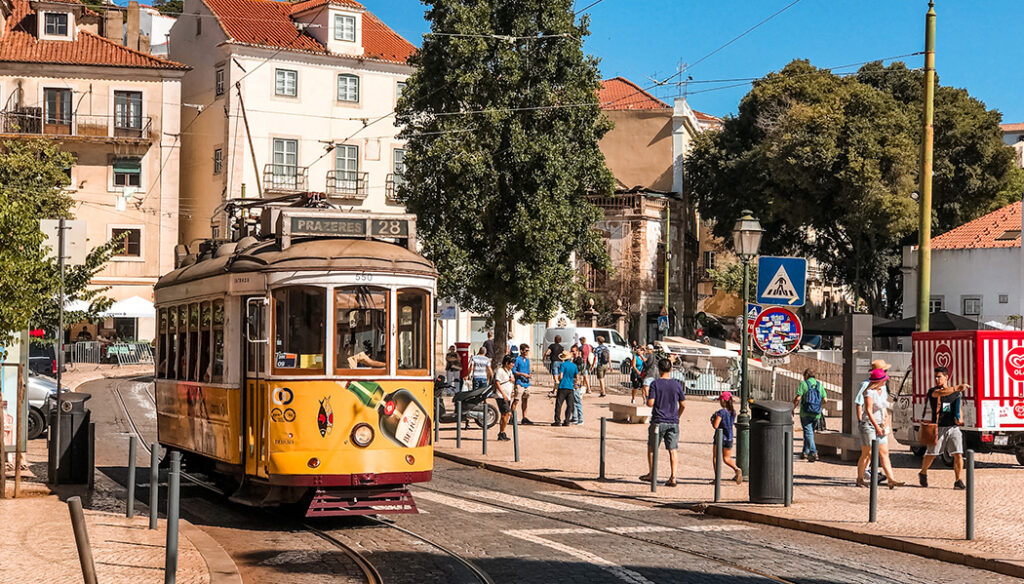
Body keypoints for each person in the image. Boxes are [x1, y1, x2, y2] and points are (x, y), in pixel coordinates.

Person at [640, 358, 686, 487]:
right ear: (671, 369)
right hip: (673, 421)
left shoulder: (655, 384)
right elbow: (683, 404)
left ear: (659, 370)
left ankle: (652, 473)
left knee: (652, 448)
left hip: (658, 420)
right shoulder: (677, 384)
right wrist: (677, 416)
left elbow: (650, 403)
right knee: (673, 449)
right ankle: (673, 476)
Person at [919, 366, 967, 489]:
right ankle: (923, 472)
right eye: (935, 377)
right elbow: (940, 393)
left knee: (958, 454)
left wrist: (960, 418)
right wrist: (957, 387)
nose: (937, 379)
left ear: (946, 377)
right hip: (938, 428)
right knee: (932, 454)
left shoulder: (956, 393)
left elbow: (958, 408)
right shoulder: (933, 391)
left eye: (939, 377)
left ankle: (958, 480)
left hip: (953, 427)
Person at [856, 368, 904, 488]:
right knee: (868, 453)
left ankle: (891, 479)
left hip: (880, 425)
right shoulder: (869, 392)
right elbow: (868, 410)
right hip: (868, 425)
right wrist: (876, 426)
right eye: (884, 379)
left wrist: (885, 421)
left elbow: (883, 408)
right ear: (879, 380)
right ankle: (860, 479)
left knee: (884, 453)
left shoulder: (882, 390)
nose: (885, 381)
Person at [794, 368, 827, 462]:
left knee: (808, 433)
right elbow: (825, 400)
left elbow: (798, 397)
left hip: (805, 412)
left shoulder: (803, 384)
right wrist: (817, 405)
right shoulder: (819, 385)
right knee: (809, 433)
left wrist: (793, 406)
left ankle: (813, 452)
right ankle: (805, 452)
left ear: (806, 375)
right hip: (816, 414)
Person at [711, 391, 742, 484]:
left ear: (724, 401)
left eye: (721, 400)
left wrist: (713, 420)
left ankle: (717, 478)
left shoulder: (721, 412)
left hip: (720, 437)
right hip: (729, 437)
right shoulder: (733, 412)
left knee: (716, 457)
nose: (720, 402)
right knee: (727, 458)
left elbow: (716, 426)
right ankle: (737, 469)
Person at [553, 351, 578, 426]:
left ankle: (557, 421)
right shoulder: (574, 366)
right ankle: (567, 420)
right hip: (570, 387)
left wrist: (560, 380)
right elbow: (576, 377)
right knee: (569, 405)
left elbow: (560, 376)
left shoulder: (563, 365)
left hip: (563, 386)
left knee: (559, 404)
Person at [494, 355, 515, 441]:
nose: (513, 365)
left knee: (504, 415)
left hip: (508, 395)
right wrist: (503, 394)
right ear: (507, 363)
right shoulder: (500, 371)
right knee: (507, 413)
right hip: (501, 396)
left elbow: (512, 380)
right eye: (511, 363)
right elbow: (497, 383)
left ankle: (502, 432)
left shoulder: (509, 371)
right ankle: (502, 431)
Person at [513, 344, 534, 425]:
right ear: (521, 351)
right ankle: (512, 416)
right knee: (516, 400)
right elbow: (514, 371)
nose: (527, 352)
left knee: (525, 400)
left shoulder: (528, 360)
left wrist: (529, 375)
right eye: (526, 350)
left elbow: (528, 370)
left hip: (526, 383)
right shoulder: (517, 360)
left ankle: (524, 417)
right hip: (519, 383)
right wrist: (522, 374)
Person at [570, 346, 585, 425]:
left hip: (577, 382)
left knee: (577, 400)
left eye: (574, 351)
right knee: (573, 400)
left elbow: (579, 370)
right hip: (573, 381)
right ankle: (574, 417)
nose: (572, 353)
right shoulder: (574, 360)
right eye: (571, 351)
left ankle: (580, 419)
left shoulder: (579, 360)